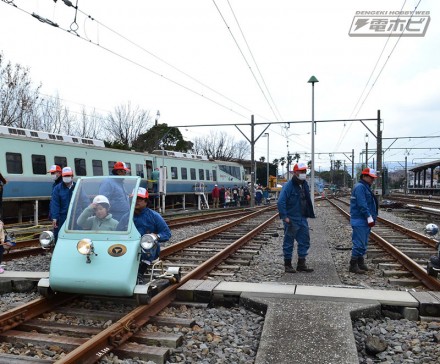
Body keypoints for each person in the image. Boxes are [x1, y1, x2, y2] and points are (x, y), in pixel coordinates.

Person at [277, 162, 315, 273]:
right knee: (289, 241)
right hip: (292, 219)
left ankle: (301, 264)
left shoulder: (304, 184)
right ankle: (287, 265)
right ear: (295, 172)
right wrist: (285, 217)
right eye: (301, 171)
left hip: (302, 218)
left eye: (305, 171)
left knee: (305, 240)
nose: (304, 173)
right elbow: (281, 202)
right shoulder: (288, 186)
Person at [132, 187, 171, 280]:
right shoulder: (127, 216)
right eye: (135, 198)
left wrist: (157, 236)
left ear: (146, 201)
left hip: (147, 248)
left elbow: (167, 233)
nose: (137, 201)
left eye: (140, 199)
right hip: (131, 247)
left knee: (149, 241)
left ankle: (140, 274)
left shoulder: (154, 216)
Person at [349, 167, 379, 274]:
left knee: (363, 243)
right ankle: (353, 265)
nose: (372, 180)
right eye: (370, 177)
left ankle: (360, 263)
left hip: (363, 220)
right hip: (360, 220)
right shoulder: (360, 187)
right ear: (364, 176)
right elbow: (362, 204)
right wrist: (368, 216)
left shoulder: (364, 187)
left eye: (373, 178)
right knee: (359, 243)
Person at [50, 166, 76, 243]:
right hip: (62, 216)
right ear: (62, 176)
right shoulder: (57, 188)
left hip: (75, 216)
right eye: (65, 176)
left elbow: (84, 200)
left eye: (68, 175)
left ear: (72, 176)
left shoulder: (77, 186)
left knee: (74, 236)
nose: (67, 177)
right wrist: (54, 217)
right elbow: (55, 203)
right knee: (59, 235)